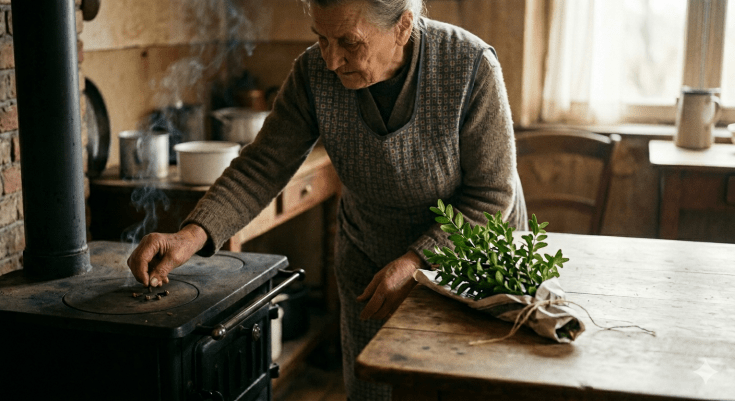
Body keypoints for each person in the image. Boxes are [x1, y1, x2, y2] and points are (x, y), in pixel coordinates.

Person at [127, 0, 527, 399]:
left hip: (470, 255)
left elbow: (490, 195)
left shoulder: (469, 66)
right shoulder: (313, 72)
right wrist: (191, 236)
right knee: (373, 390)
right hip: (371, 257)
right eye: (321, 38)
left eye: (350, 43)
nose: (332, 60)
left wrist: (417, 261)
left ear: (403, 26)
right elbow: (262, 165)